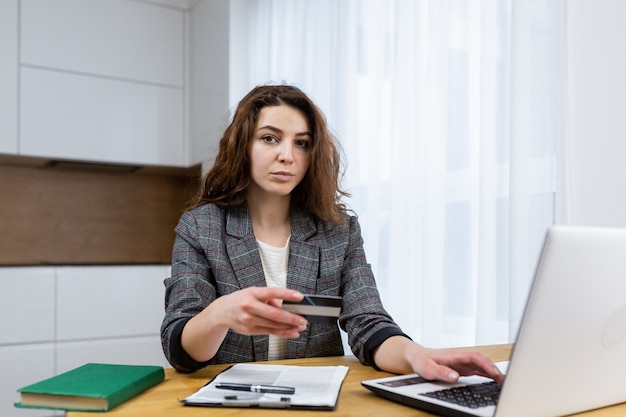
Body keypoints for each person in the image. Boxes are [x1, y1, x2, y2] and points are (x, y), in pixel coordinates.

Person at [160, 84, 504, 384]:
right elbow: (180, 346)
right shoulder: (200, 227)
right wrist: (219, 314)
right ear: (242, 146)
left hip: (320, 398)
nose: (287, 155)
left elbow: (368, 322)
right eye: (269, 138)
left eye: (302, 143)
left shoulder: (339, 229)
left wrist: (417, 356)